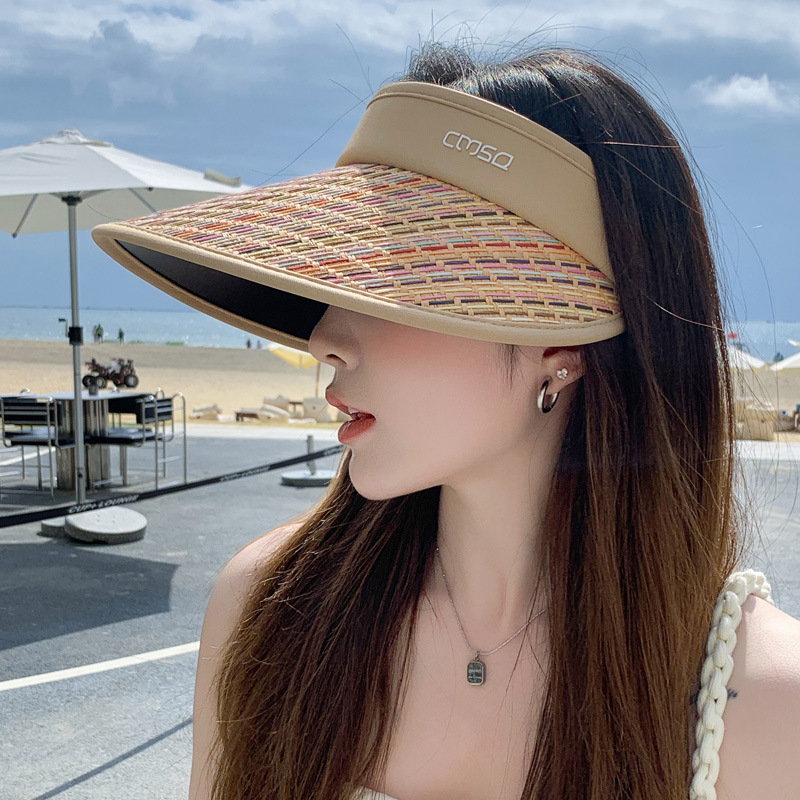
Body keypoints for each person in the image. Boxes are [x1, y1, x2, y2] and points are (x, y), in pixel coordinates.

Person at [92, 41, 800, 800]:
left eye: (390, 285)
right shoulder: (269, 609)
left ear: (559, 348)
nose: (324, 338)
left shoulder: (763, 703)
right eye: (335, 282)